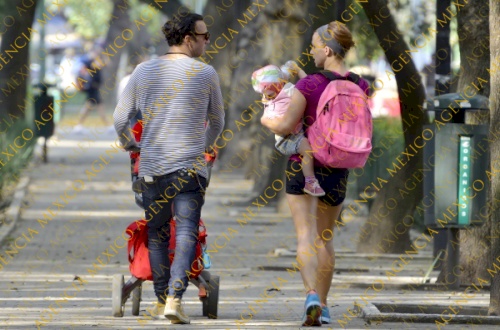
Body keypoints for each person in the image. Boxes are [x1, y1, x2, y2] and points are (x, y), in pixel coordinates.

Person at [113, 13, 224, 324]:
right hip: (190, 167)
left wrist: (130, 144)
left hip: (152, 168)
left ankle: (163, 301)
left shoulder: (143, 71)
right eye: (204, 35)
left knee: (158, 234)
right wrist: (203, 145)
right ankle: (176, 296)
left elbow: (121, 120)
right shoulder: (205, 74)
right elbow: (218, 122)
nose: (207, 40)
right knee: (187, 231)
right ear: (188, 39)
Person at [260, 21, 370, 326]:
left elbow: (284, 126)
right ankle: (324, 305)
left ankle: (309, 295)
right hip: (339, 168)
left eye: (312, 46)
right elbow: (330, 93)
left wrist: (265, 119)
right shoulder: (361, 84)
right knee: (326, 238)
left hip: (303, 164)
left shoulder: (307, 86)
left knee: (305, 236)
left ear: (326, 48)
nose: (310, 51)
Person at [251, 62, 325, 196]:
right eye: (267, 93)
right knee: (307, 149)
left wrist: (296, 68)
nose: (270, 96)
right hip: (287, 139)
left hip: (293, 132)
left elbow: (301, 78)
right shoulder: (277, 99)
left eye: (271, 91)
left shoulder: (283, 85)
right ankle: (310, 181)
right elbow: (280, 126)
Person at [74, 59, 111, 132]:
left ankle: (79, 124)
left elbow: (99, 81)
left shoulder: (97, 71)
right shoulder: (89, 67)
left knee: (93, 108)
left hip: (94, 90)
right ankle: (78, 125)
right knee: (93, 108)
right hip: (92, 91)